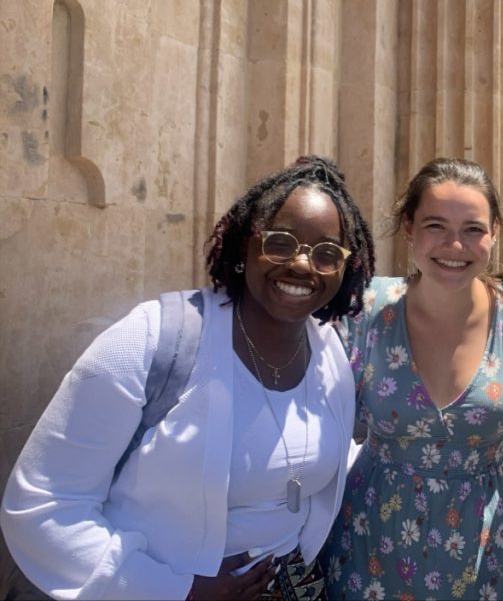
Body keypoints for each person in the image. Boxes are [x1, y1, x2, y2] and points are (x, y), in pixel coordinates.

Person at [2, 156, 375, 600]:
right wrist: (176, 591)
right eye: (280, 242)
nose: (301, 264)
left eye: (327, 253)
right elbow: (42, 505)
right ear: (244, 246)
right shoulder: (154, 337)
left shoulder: (328, 351)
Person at [320, 157, 503, 600]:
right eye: (435, 226)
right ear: (408, 229)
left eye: (472, 229)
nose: (454, 245)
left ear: (495, 233)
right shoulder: (364, 309)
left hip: (482, 546)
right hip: (371, 541)